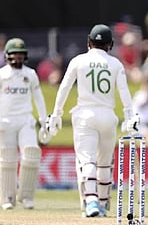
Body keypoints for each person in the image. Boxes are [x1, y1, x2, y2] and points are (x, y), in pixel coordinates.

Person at [46, 24, 140, 218]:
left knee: (87, 160)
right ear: (110, 44)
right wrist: (130, 117)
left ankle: (91, 202)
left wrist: (56, 114)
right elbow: (124, 92)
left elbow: (64, 87)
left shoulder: (79, 60)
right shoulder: (115, 64)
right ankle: (103, 205)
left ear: (88, 42)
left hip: (85, 116)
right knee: (105, 163)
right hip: (108, 116)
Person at [0, 38, 49, 210]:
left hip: (25, 119)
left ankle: (26, 196)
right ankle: (7, 197)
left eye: (21, 55)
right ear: (7, 56)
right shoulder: (2, 75)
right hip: (5, 121)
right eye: (14, 55)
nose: (18, 58)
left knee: (31, 153)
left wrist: (44, 121)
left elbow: (39, 99)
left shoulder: (31, 74)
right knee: (7, 159)